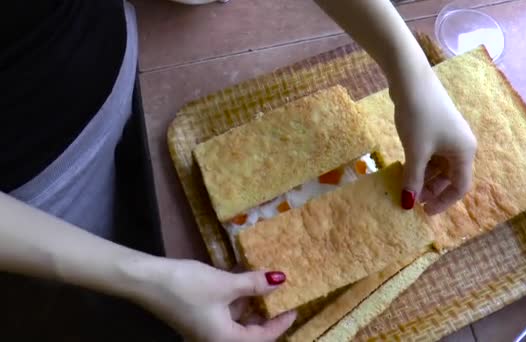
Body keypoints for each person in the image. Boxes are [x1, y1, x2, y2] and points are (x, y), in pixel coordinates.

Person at [0, 0, 476, 341]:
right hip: (38, 178)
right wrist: (142, 280)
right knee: (98, 286)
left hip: (112, 50)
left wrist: (411, 71)